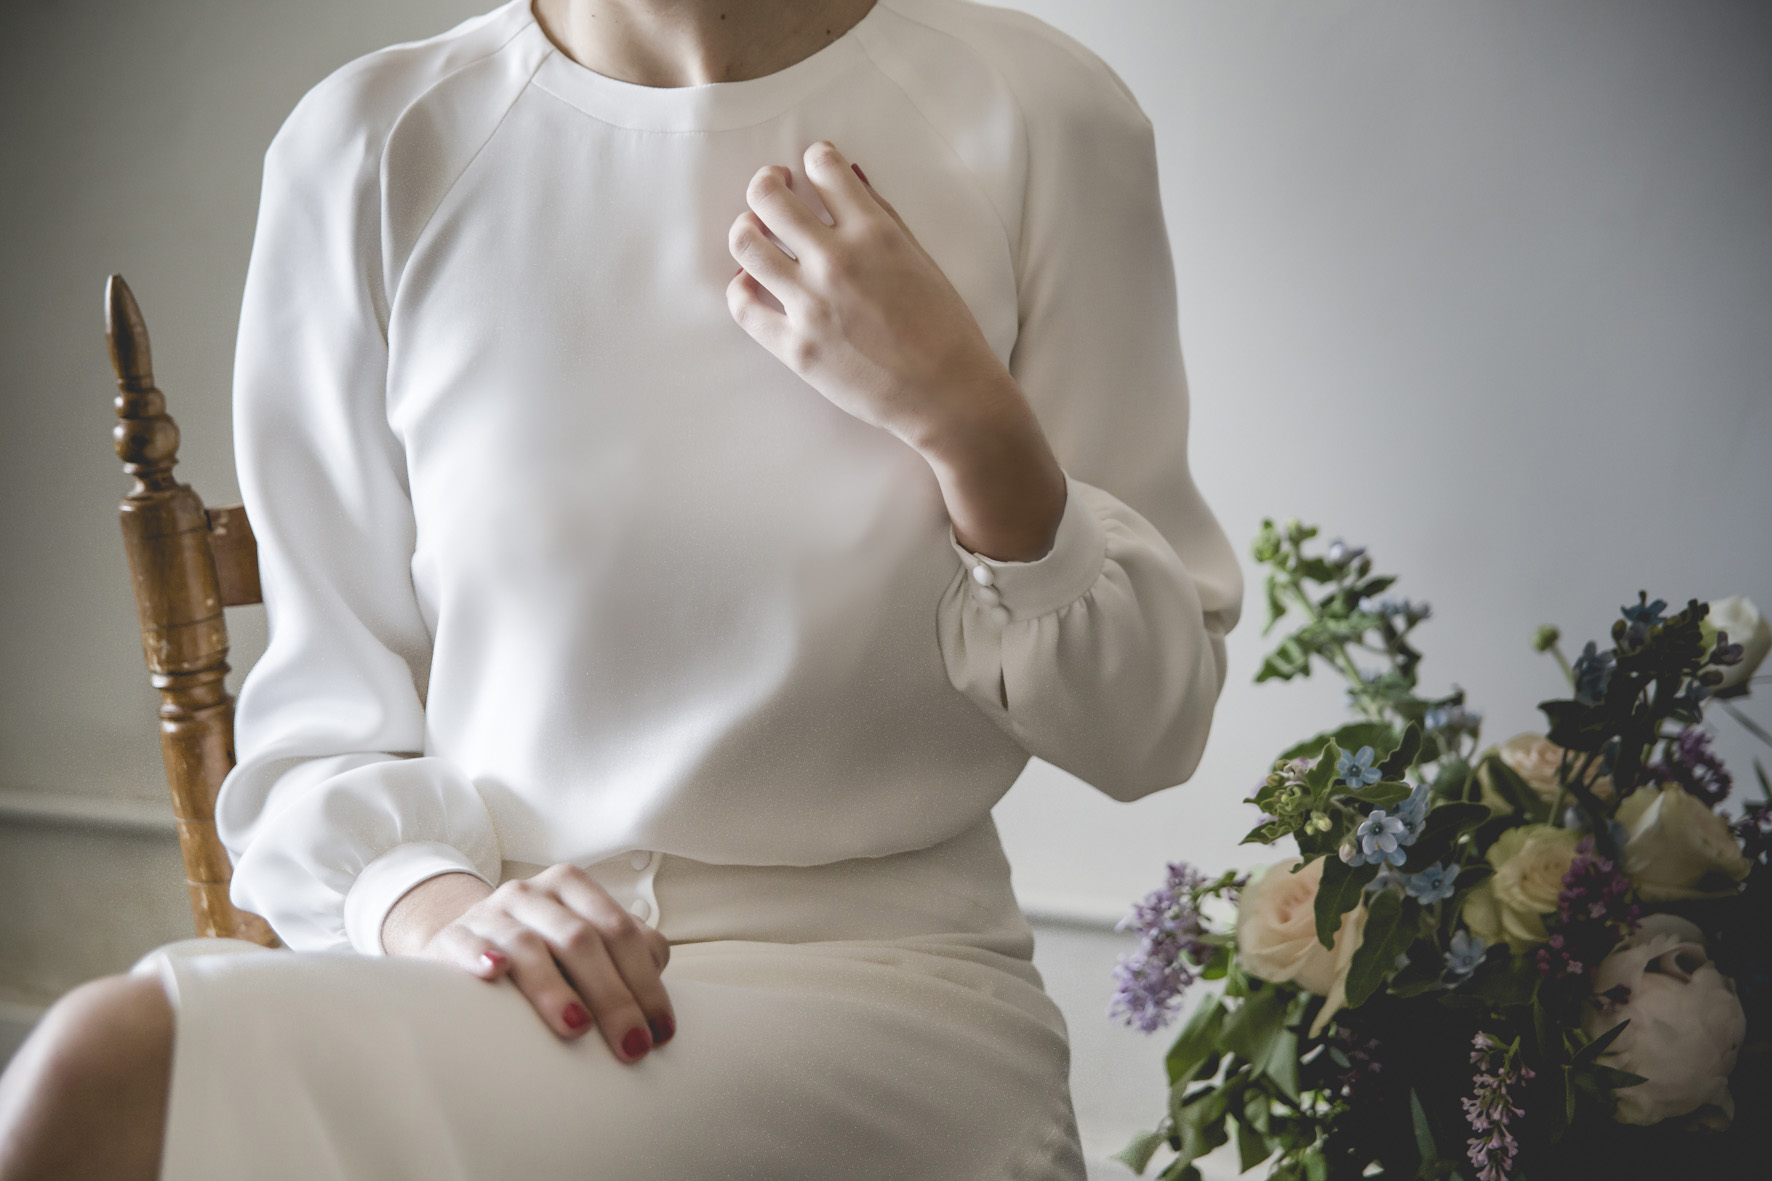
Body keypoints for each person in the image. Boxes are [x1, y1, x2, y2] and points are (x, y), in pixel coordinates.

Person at [0, 0, 1242, 1176]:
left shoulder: (1037, 114)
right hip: (497, 980)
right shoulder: (373, 144)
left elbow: (1146, 725)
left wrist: (969, 421)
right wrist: (435, 908)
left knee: (110, 1070)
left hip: (886, 1001)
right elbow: (320, 729)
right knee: (107, 1066)